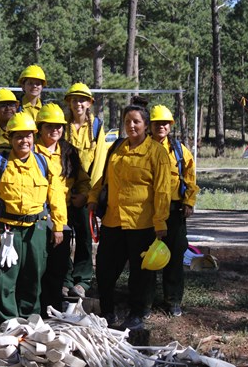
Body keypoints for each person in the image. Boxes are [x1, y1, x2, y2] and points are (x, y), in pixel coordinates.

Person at [87, 96, 171, 330]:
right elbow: (102, 177)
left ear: (145, 125)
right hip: (113, 221)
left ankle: (137, 314)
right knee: (104, 269)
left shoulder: (156, 153)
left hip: (142, 224)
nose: (131, 126)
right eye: (127, 121)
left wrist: (160, 222)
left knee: (140, 274)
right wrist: (93, 200)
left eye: (136, 122)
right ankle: (107, 312)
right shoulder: (116, 148)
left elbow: (162, 190)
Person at [0, 112, 67, 322]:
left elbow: (56, 195)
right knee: (5, 277)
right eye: (19, 136)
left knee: (34, 276)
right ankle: (9, 320)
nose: (24, 141)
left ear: (34, 137)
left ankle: (31, 318)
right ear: (10, 138)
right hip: (6, 230)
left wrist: (58, 226)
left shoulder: (43, 164)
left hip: (36, 229)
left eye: (28, 136)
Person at [34, 104, 90, 313]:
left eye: (58, 126)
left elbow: (83, 179)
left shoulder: (68, 152)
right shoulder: (30, 150)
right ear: (40, 128)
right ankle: (35, 305)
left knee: (58, 263)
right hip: (38, 215)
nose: (55, 130)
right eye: (49, 126)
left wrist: (82, 195)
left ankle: (55, 304)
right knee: (39, 264)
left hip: (64, 213)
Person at [149, 104, 200, 317]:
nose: (161, 126)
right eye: (157, 123)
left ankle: (173, 300)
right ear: (150, 125)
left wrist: (188, 202)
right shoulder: (143, 149)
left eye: (165, 123)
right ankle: (146, 299)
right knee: (146, 257)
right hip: (147, 212)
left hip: (175, 211)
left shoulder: (180, 151)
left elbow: (190, 179)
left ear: (170, 126)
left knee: (175, 256)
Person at [63, 83, 105, 299]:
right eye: (74, 99)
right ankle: (65, 277)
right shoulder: (61, 125)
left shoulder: (96, 126)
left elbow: (99, 164)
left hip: (85, 191)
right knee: (62, 237)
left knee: (84, 237)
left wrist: (90, 196)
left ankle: (83, 279)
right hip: (63, 191)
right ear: (68, 102)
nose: (78, 103)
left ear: (89, 103)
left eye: (82, 100)